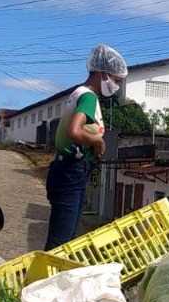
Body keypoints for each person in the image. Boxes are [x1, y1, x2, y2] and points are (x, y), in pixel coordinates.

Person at [44, 44, 128, 250]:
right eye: (116, 80)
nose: (116, 86)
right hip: (71, 172)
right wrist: (98, 141)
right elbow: (75, 131)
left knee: (64, 238)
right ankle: (47, 279)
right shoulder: (88, 96)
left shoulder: (78, 93)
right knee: (61, 242)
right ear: (103, 74)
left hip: (65, 171)